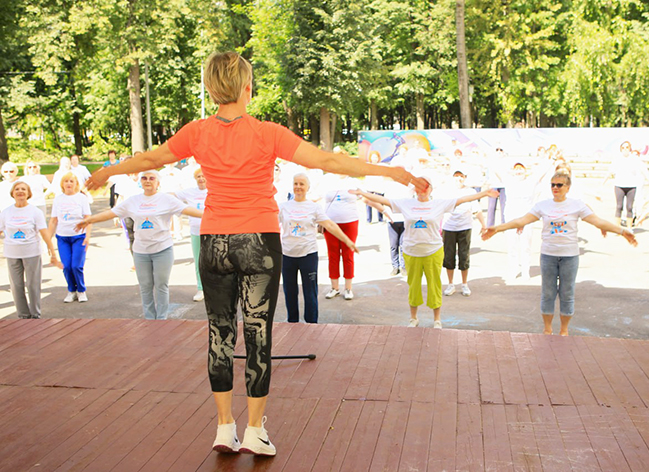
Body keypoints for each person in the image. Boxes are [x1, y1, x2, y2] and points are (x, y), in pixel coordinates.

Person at [84, 51, 425, 457]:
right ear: (248, 87)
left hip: (214, 242)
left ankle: (224, 427)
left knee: (219, 333)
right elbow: (329, 160)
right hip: (259, 242)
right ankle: (254, 430)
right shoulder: (268, 133)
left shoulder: (196, 132)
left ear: (211, 91)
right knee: (258, 334)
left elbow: (149, 159)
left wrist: (107, 172)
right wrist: (390, 172)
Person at [482, 172, 637, 336]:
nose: (555, 188)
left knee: (567, 293)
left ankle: (564, 330)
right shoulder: (543, 205)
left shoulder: (577, 205)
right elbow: (522, 220)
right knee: (548, 293)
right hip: (548, 255)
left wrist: (622, 231)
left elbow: (598, 221)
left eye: (559, 185)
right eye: (552, 185)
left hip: (569, 256)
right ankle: (547, 328)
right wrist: (497, 228)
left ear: (568, 188)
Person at [352, 180, 496, 329]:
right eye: (419, 187)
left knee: (434, 285)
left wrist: (484, 193)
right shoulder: (406, 203)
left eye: (425, 187)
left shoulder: (439, 204)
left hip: (433, 251)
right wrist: (362, 193)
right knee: (413, 286)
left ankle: (437, 320)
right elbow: (383, 200)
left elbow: (463, 199)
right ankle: (413, 318)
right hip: (411, 251)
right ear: (414, 189)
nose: (422, 190)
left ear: (431, 189)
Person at [77, 170, 203, 319]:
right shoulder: (133, 201)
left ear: (158, 183)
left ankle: (161, 318)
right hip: (141, 251)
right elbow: (112, 213)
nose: (147, 181)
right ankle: (149, 318)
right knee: (145, 286)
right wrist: (89, 220)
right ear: (140, 182)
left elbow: (189, 210)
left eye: (151, 178)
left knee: (161, 285)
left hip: (162, 249)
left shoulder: (167, 199)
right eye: (144, 178)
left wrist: (213, 215)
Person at [279, 173, 357, 323]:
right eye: (296, 184)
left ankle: (311, 324)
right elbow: (271, 224)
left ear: (308, 187)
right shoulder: (283, 207)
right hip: (288, 255)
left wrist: (347, 240)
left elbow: (329, 225)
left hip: (308, 254)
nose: (298, 187)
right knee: (290, 292)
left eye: (302, 184)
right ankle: (292, 322)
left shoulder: (314, 207)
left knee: (310, 292)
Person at [0, 181, 60, 318]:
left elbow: (44, 232)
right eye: (17, 189)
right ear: (12, 193)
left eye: (23, 189)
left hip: (31, 252)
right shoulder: (6, 212)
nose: (20, 191)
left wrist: (52, 251)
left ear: (28, 194)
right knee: (16, 286)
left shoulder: (35, 212)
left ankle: (35, 315)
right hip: (12, 253)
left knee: (33, 285)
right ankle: (23, 315)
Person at [48, 173, 92, 303]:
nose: (68, 184)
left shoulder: (81, 198)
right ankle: (71, 290)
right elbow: (53, 221)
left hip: (79, 236)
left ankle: (81, 290)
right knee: (66, 266)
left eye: (71, 181)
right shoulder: (58, 199)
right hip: (63, 237)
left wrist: (88, 236)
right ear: (62, 184)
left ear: (76, 184)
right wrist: (48, 239)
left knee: (76, 266)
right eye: (66, 181)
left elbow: (88, 219)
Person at [442, 170, 485, 296]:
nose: (459, 179)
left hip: (465, 227)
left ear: (465, 178)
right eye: (456, 176)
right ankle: (450, 284)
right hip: (449, 227)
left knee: (464, 256)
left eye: (461, 176)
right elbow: (438, 208)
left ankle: (464, 284)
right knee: (448, 256)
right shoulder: (445, 190)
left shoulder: (470, 192)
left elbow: (477, 210)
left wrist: (483, 224)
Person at [322, 175, 360, 301]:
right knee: (333, 255)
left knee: (348, 254)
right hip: (330, 223)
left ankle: (348, 288)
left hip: (349, 222)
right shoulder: (327, 179)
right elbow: (319, 199)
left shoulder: (353, 181)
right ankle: (335, 287)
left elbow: (364, 196)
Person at [175, 167, 208, 302]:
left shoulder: (214, 191)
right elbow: (172, 196)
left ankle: (213, 288)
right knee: (198, 260)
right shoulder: (189, 192)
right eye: (198, 176)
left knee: (214, 261)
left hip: (212, 230)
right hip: (195, 231)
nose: (201, 179)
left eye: (203, 176)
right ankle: (201, 288)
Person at [603, 141, 649, 227]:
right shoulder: (617, 159)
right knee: (619, 206)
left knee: (630, 207)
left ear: (630, 148)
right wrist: (603, 182)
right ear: (620, 149)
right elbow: (610, 172)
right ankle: (617, 228)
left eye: (627, 147)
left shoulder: (635, 159)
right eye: (623, 147)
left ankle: (629, 228)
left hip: (631, 186)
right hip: (619, 185)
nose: (625, 149)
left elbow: (644, 171)